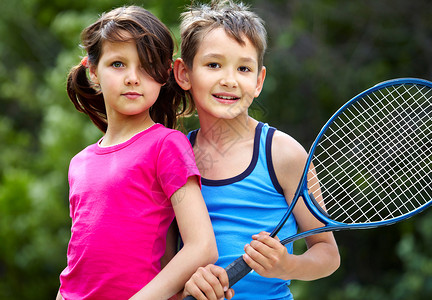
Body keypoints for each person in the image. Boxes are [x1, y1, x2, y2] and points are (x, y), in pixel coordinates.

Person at [173, 1, 341, 299]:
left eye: (243, 68)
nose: (229, 79)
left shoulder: (283, 154)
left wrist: (286, 265)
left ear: (259, 81)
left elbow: (327, 253)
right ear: (184, 73)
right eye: (213, 64)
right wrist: (185, 285)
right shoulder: (173, 155)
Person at [56, 5, 217, 300]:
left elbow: (202, 246)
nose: (132, 77)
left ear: (165, 75)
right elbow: (77, 264)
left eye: (146, 66)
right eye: (118, 64)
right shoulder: (79, 163)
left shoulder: (166, 145)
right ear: (92, 70)